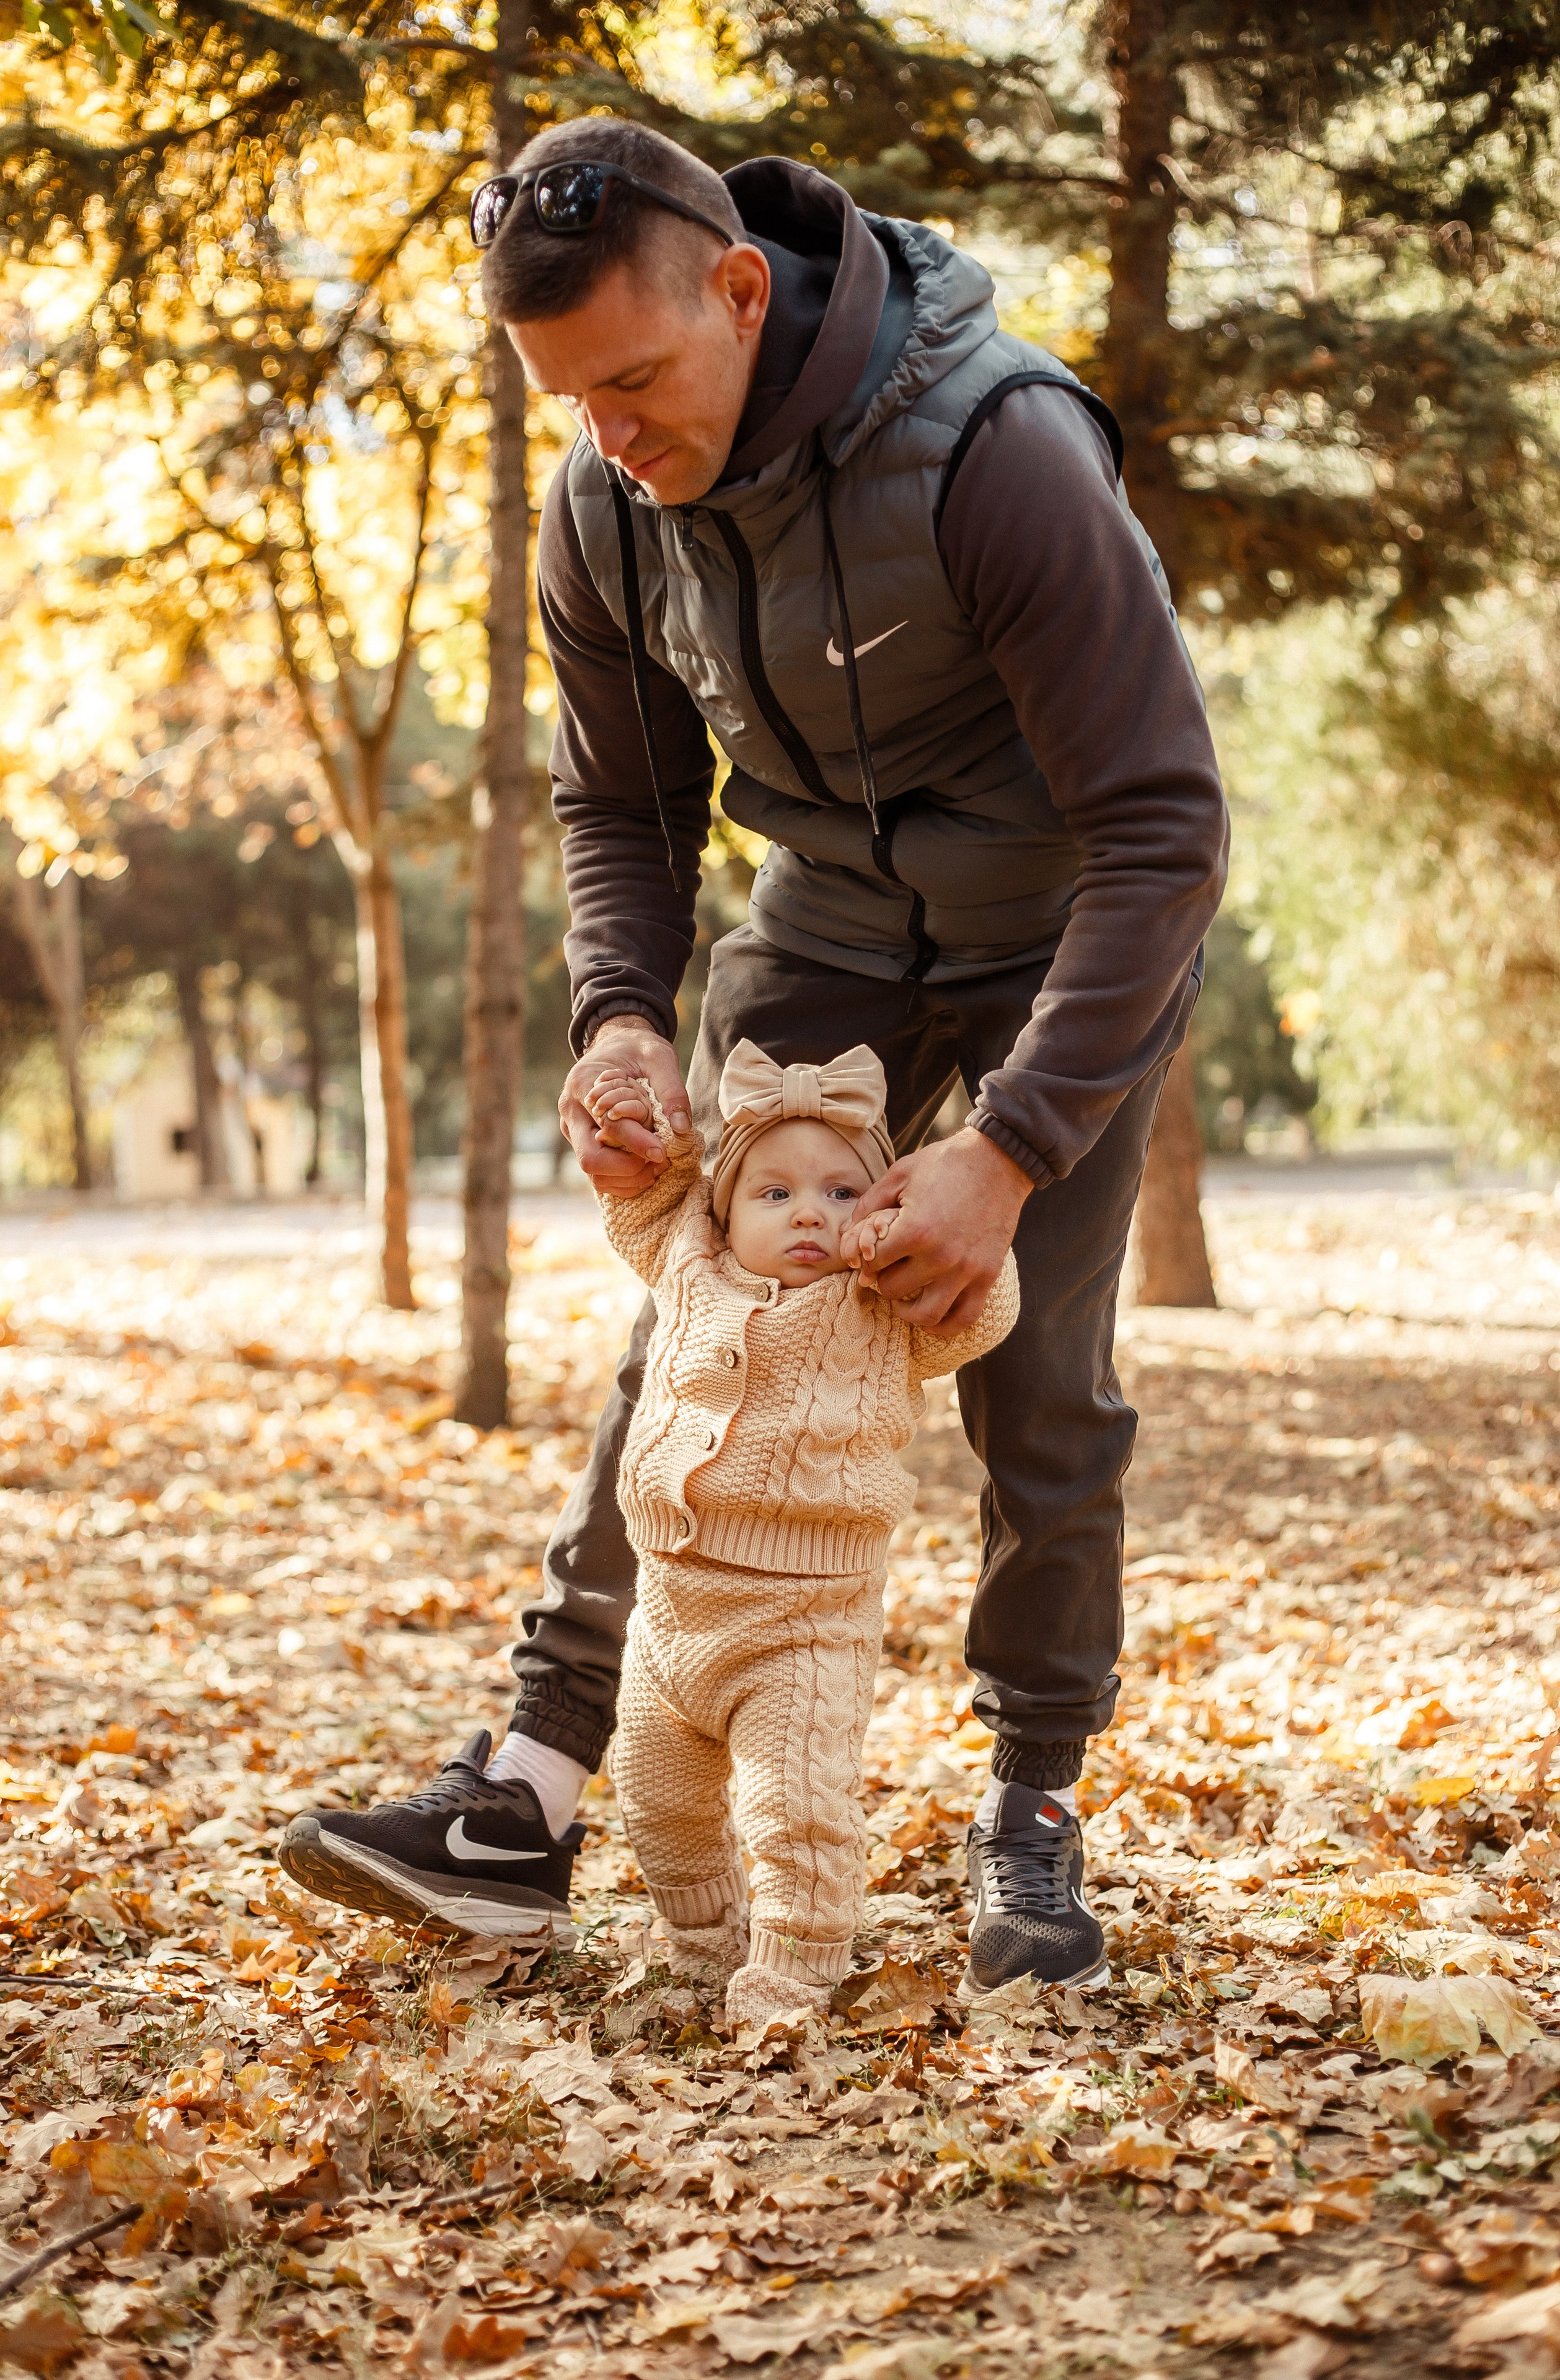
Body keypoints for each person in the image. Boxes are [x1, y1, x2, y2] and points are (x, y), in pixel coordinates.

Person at [280, 114, 1228, 1996]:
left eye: (633, 382)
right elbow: (621, 801)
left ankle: (1031, 1807)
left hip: (1063, 929)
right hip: (826, 925)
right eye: (568, 398)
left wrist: (1009, 1151)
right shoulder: (601, 499)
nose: (608, 434)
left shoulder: (999, 451)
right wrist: (622, 1016)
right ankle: (528, 1799)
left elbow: (1163, 831)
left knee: (1035, 1376)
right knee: (700, 1320)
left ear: (734, 290)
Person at [587, 1039, 1018, 2022]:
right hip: (670, 1613)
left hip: (804, 1625)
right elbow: (646, 1199)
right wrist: (632, 1128)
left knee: (798, 1812)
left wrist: (949, 1236)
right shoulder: (687, 1261)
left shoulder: (884, 1302)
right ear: (723, 1212)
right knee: (655, 1796)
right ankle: (702, 1947)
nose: (809, 1214)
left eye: (841, 1193)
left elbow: (980, 1314)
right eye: (774, 1194)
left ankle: (792, 1974)